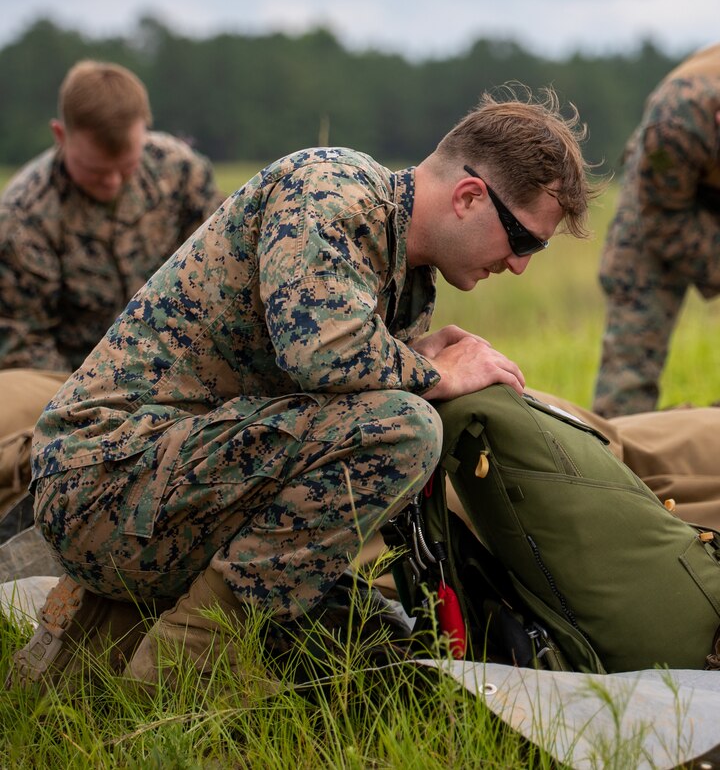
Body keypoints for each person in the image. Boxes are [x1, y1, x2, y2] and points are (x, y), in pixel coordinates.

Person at [8, 86, 593, 689]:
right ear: (469, 197)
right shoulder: (332, 189)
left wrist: (413, 359)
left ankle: (126, 647)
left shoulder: (407, 275)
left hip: (163, 485)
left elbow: (324, 384)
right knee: (404, 428)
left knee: (373, 634)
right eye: (523, 241)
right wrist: (434, 373)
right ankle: (190, 667)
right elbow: (321, 352)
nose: (521, 265)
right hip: (100, 481)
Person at [0, 60, 223, 540]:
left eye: (126, 168)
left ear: (146, 129)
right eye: (98, 172)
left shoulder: (183, 176)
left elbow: (223, 284)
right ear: (60, 134)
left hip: (186, 377)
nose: (114, 184)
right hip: (72, 389)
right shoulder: (24, 217)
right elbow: (23, 341)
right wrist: (98, 412)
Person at [593, 43, 720, 417]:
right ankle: (618, 460)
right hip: (662, 205)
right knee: (630, 364)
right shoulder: (676, 121)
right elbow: (662, 219)